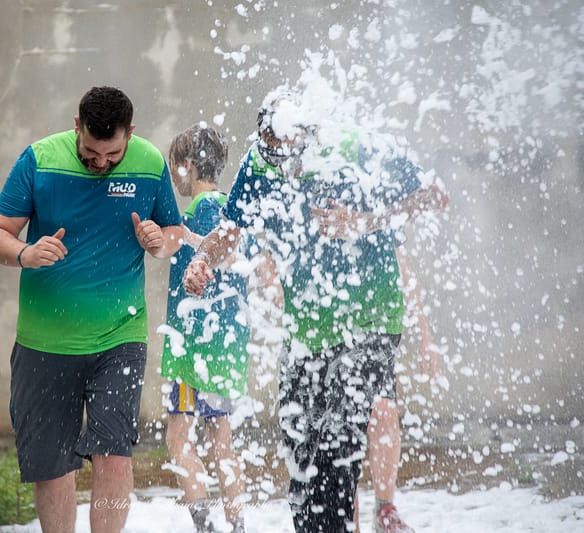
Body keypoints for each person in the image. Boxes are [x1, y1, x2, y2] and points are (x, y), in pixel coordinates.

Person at [183, 88, 448, 532]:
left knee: (337, 450)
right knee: (301, 448)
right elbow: (231, 228)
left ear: (311, 134)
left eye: (293, 157)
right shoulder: (258, 164)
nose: (287, 168)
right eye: (275, 155)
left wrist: (364, 221)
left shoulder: (356, 146)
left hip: (369, 320)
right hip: (307, 330)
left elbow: (435, 195)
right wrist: (202, 258)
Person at [0, 86, 184, 533]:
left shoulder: (150, 163)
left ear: (131, 134)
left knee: (113, 458)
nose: (100, 162)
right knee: (54, 468)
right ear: (77, 126)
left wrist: (160, 243)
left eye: (111, 154)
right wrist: (24, 253)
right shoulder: (39, 159)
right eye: (91, 151)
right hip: (44, 342)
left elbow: (174, 230)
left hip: (120, 337)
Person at [161, 124, 282, 533]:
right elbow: (256, 267)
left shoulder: (201, 212)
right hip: (226, 345)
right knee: (221, 439)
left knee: (178, 436)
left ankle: (204, 526)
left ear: (190, 167)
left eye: (176, 166)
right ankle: (237, 525)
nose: (174, 174)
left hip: (194, 345)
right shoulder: (233, 209)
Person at [357, 248, 443, 533]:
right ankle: (347, 518)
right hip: (337, 320)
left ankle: (384, 508)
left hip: (380, 322)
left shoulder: (381, 208)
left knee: (383, 410)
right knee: (343, 427)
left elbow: (404, 267)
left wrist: (425, 336)